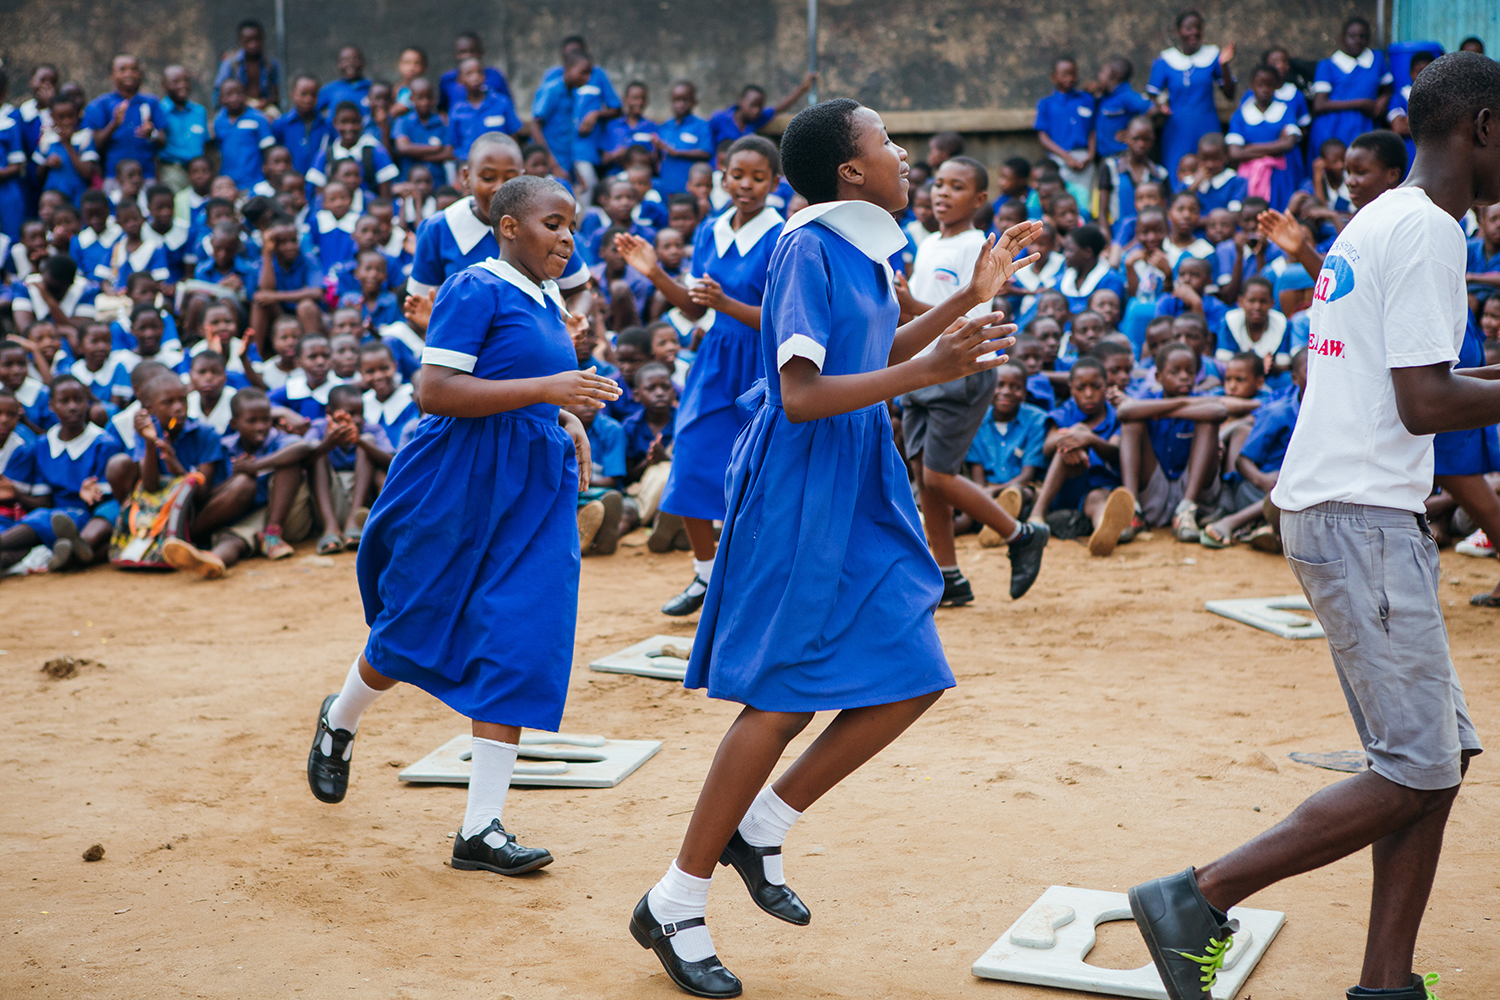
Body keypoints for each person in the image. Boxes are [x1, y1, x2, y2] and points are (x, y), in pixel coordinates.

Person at [629, 98, 1038, 999]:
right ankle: (676, 900)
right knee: (777, 703)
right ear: (851, 171)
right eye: (887, 142)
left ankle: (763, 825)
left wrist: (969, 302)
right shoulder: (804, 247)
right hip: (799, 484)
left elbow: (873, 350)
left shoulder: (862, 248)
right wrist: (927, 372)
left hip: (856, 475)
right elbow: (805, 394)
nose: (903, 154)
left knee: (912, 669)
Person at [1128, 52, 1499, 1000]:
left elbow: (1413, 384)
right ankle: (1200, 895)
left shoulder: (1382, 219)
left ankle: (1384, 981)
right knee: (1416, 770)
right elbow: (1423, 402)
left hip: (1352, 510)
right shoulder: (1427, 232)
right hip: (1361, 516)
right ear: (1484, 129)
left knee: (1436, 759)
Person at [304, 175, 619, 879]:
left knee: (519, 634)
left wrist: (563, 418)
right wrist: (547, 392)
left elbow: (525, 381)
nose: (567, 237)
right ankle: (342, 717)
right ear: (509, 227)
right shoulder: (475, 286)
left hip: (532, 485)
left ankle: (481, 827)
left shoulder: (548, 295)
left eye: (572, 226)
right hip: (460, 476)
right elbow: (436, 391)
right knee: (417, 620)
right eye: (552, 223)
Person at [614, 135, 786, 614]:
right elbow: (693, 309)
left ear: (775, 182)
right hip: (715, 357)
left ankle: (758, 584)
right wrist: (653, 273)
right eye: (737, 175)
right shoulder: (711, 229)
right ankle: (706, 574)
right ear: (722, 176)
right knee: (689, 455)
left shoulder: (781, 236)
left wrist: (726, 304)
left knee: (760, 473)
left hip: (763, 362)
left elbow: (780, 315)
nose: (745, 186)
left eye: (757, 178)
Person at [898, 154, 1051, 601]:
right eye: (939, 184)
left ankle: (1020, 534)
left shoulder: (975, 249)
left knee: (941, 476)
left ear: (980, 198)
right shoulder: (926, 244)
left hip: (961, 370)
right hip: (920, 371)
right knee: (927, 479)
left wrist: (911, 305)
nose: (942, 193)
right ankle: (948, 575)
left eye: (957, 186)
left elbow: (973, 319)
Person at [0, 375, 122, 572]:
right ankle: (66, 555)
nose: (72, 407)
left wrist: (91, 495)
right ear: (51, 405)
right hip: (53, 518)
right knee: (39, 526)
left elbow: (108, 500)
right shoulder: (42, 445)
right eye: (64, 401)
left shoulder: (104, 444)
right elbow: (45, 500)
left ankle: (71, 551)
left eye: (79, 400)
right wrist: (17, 494)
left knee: (44, 519)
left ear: (87, 403)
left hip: (88, 516)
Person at [1027, 356, 1135, 554]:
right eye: (1080, 388)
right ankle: (1037, 514)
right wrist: (1072, 436)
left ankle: (1105, 530)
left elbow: (1115, 451)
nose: (1088, 394)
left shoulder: (1116, 416)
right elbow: (1048, 445)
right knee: (1067, 448)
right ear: (1070, 388)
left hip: (1098, 487)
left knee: (1098, 500)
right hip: (1066, 486)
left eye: (1096, 387)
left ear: (1107, 386)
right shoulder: (1065, 412)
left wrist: (1090, 439)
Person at [201, 387, 316, 567]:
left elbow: (303, 448)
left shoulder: (278, 440)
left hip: (282, 518)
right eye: (252, 421)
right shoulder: (225, 448)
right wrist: (239, 476)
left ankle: (272, 535)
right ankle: (211, 562)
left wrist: (256, 465)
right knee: (234, 540)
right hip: (241, 520)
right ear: (234, 424)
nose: (261, 426)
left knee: (289, 462)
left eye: (266, 419)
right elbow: (212, 494)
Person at [306, 383, 393, 553]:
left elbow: (392, 461)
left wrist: (359, 441)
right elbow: (304, 460)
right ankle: (329, 527)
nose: (358, 419)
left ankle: (354, 522)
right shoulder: (318, 428)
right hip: (327, 502)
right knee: (316, 448)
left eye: (361, 413)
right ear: (330, 413)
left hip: (361, 502)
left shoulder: (371, 429)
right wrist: (328, 442)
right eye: (351, 414)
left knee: (368, 441)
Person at [1147, 11, 1237, 175]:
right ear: (1178, 31)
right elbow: (1152, 96)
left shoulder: (1213, 56)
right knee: (1178, 171)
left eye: (1198, 28)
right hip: (1177, 128)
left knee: (1211, 170)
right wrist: (1161, 105)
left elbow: (1230, 94)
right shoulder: (1165, 60)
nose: (1194, 32)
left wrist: (1224, 65)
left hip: (1207, 125)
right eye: (1189, 28)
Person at [965, 362, 1048, 530]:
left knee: (1021, 493)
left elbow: (1028, 475)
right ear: (989, 388)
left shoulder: (1037, 420)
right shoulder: (976, 421)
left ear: (1025, 393)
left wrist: (995, 491)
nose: (1006, 392)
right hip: (987, 492)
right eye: (1000, 385)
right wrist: (984, 493)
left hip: (1022, 489)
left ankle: (997, 522)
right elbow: (977, 475)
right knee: (971, 502)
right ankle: (998, 521)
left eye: (1015, 387)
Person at [1309, 18, 1392, 161]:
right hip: (1332, 127)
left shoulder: (1377, 59)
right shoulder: (1328, 65)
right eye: (1352, 36)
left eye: (1363, 37)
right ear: (1342, 38)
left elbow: (1387, 88)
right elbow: (1320, 104)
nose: (1358, 40)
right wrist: (1361, 103)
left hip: (1363, 125)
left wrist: (1381, 103)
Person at [84, 55, 164, 180]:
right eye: (122, 70)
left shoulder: (151, 102)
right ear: (112, 75)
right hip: (113, 176)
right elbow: (96, 144)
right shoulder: (100, 104)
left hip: (146, 175)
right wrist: (114, 124)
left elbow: (163, 140)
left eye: (134, 69)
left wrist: (152, 133)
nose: (129, 74)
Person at [706, 77, 816, 163]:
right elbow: (707, 144)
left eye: (760, 107)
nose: (756, 110)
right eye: (752, 105)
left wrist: (803, 89)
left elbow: (780, 108)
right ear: (740, 101)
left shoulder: (756, 120)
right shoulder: (719, 119)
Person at [249, 217, 325, 341]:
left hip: (305, 316)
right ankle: (254, 354)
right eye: (282, 243)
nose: (290, 246)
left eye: (293, 241)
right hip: (279, 314)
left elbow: (317, 292)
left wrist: (275, 296)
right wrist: (267, 251)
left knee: (306, 306)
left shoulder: (308, 259)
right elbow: (265, 290)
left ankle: (312, 346)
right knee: (260, 303)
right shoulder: (266, 261)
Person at [1034, 58, 1097, 205]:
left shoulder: (1087, 99)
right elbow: (1043, 137)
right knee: (1059, 201)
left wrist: (1090, 156)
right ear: (1053, 77)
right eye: (1064, 74)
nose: (1070, 78)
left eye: (1073, 74)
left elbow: (1092, 131)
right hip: (1059, 159)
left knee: (1084, 201)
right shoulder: (1046, 104)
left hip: (1084, 160)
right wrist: (1066, 157)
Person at [308, 103, 397, 199]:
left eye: (354, 122)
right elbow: (320, 196)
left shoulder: (375, 151)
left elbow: (385, 196)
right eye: (344, 122)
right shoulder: (325, 155)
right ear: (335, 123)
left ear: (361, 122)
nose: (349, 128)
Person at [447, 58, 524, 163]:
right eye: (469, 74)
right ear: (460, 79)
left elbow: (513, 136)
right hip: (469, 164)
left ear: (484, 76)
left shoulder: (501, 103)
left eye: (479, 72)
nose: (475, 77)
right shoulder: (456, 111)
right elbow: (454, 145)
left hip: (500, 162)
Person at [31, 94, 97, 208]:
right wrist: (47, 164)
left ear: (77, 114)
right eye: (61, 117)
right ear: (52, 116)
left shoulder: (84, 137)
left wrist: (67, 144)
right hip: (53, 195)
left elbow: (87, 173)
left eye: (70, 116)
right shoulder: (47, 138)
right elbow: (38, 175)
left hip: (77, 195)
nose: (66, 122)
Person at [210, 79, 274, 192]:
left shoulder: (258, 118)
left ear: (245, 95)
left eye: (238, 93)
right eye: (228, 94)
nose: (234, 98)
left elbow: (269, 150)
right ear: (221, 98)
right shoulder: (218, 121)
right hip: (229, 184)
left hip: (255, 183)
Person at [655, 82, 712, 196]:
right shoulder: (664, 126)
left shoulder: (701, 125)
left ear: (694, 102)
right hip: (667, 187)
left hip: (690, 190)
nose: (680, 104)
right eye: (676, 100)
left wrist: (677, 153)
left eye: (685, 100)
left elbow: (706, 152)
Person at [272, 75, 334, 178]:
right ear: (291, 94)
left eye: (313, 95)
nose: (308, 99)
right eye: (303, 94)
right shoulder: (281, 124)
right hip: (290, 182)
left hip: (318, 182)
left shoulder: (326, 125)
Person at [213, 19, 281, 112]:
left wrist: (266, 102)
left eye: (257, 40)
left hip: (264, 108)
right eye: (248, 41)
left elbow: (276, 94)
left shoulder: (271, 63)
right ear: (241, 41)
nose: (253, 45)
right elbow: (218, 95)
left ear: (262, 39)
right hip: (237, 108)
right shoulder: (230, 63)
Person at [391, 78, 451, 181]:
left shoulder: (441, 122)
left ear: (434, 99)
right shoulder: (403, 121)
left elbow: (449, 153)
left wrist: (416, 155)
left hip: (437, 180)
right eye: (420, 98)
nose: (425, 102)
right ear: (411, 99)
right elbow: (403, 147)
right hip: (410, 181)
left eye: (429, 98)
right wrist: (435, 149)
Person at [268, 333, 340, 421]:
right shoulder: (292, 388)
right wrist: (285, 413)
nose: (320, 362)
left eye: (326, 356)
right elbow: (263, 403)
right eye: (312, 357)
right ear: (298, 363)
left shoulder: (340, 390)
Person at [437, 32, 512, 114]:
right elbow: (442, 110)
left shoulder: (495, 76)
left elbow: (509, 106)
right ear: (456, 54)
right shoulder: (447, 79)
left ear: (481, 52)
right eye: (463, 52)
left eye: (472, 51)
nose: (468, 55)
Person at [316, 47, 372, 120]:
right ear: (338, 65)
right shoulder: (330, 89)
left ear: (363, 62)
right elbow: (312, 110)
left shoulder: (372, 88)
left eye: (354, 59)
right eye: (344, 60)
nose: (350, 63)